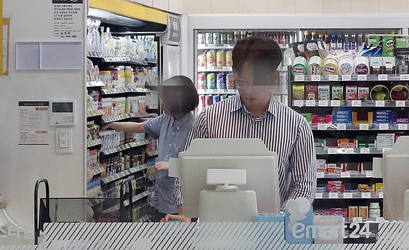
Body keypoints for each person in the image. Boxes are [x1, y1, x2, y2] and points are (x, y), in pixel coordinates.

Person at [191, 35, 314, 208]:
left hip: (273, 229)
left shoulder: (297, 126)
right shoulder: (208, 120)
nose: (250, 91)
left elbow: (304, 185)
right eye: (244, 82)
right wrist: (186, 211)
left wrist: (282, 217)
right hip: (219, 224)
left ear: (274, 77)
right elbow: (187, 172)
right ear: (234, 72)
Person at [102, 75, 197, 222]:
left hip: (182, 205)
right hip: (161, 199)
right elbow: (140, 127)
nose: (162, 103)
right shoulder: (165, 120)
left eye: (166, 99)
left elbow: (198, 166)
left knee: (179, 243)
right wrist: (112, 124)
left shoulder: (196, 127)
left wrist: (173, 166)